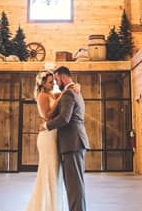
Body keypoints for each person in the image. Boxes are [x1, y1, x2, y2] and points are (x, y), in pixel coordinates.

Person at [43, 66, 90, 211]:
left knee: (74, 186)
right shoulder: (75, 91)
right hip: (75, 142)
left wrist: (46, 126)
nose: (56, 83)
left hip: (72, 143)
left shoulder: (69, 94)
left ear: (63, 77)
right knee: (75, 185)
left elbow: (64, 118)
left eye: (56, 80)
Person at [26, 70, 67, 211]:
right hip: (47, 137)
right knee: (47, 170)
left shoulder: (51, 94)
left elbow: (65, 92)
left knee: (55, 170)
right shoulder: (42, 96)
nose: (53, 84)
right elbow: (48, 115)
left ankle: (53, 205)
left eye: (54, 81)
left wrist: (72, 87)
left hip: (53, 135)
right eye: (50, 82)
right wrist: (60, 97)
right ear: (43, 83)